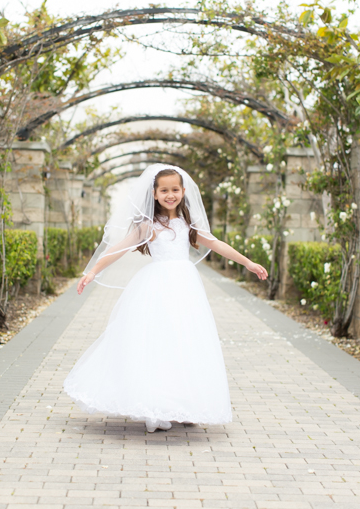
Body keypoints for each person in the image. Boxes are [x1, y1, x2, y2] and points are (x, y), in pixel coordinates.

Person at [64, 164, 268, 433]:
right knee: (158, 342)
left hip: (185, 288)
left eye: (175, 189)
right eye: (164, 190)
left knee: (185, 342)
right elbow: (118, 249)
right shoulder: (148, 225)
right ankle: (157, 405)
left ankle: (185, 405)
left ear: (183, 191)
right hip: (156, 288)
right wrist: (92, 271)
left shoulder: (188, 223)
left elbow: (217, 243)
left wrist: (248, 262)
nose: (170, 195)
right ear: (155, 193)